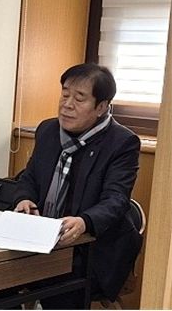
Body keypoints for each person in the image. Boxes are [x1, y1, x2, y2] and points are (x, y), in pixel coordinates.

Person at [14, 63, 142, 308]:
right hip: (40, 239)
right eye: (65, 95)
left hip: (90, 249)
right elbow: (29, 176)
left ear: (101, 107)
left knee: (60, 289)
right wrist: (24, 198)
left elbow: (116, 200)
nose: (67, 105)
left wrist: (85, 221)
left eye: (79, 98)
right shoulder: (48, 130)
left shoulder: (122, 143)